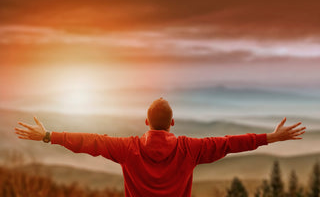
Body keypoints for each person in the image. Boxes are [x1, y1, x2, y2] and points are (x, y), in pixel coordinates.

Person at [14, 98, 306, 197]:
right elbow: (229, 144)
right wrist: (270, 137)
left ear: (146, 121)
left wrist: (48, 135)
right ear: (173, 122)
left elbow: (90, 141)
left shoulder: (127, 147)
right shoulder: (191, 148)